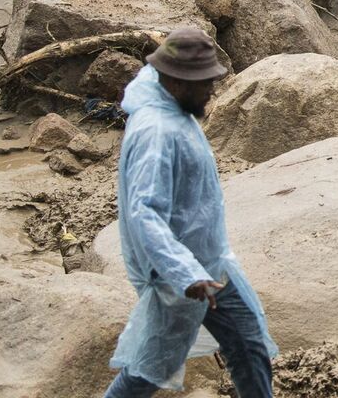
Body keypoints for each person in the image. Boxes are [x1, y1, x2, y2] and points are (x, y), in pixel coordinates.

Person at [105, 28, 277, 398]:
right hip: (179, 273)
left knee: (248, 344)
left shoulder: (171, 109)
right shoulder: (157, 132)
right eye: (204, 84)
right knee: (150, 369)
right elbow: (144, 213)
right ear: (176, 81)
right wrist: (186, 274)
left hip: (207, 261)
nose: (211, 91)